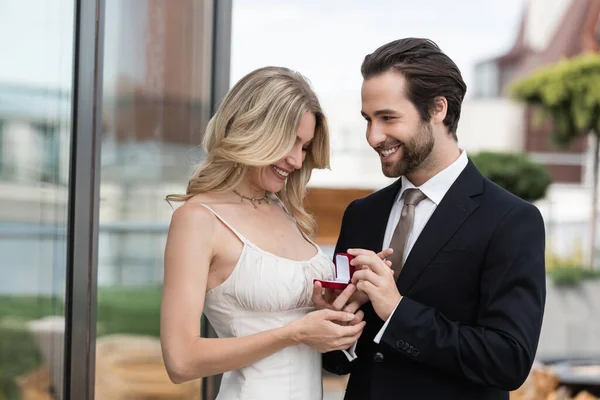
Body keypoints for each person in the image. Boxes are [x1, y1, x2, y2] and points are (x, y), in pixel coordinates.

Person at [314, 38, 547, 400]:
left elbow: (508, 360)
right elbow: (339, 361)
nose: (373, 137)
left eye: (388, 118)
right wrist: (336, 321)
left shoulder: (511, 220)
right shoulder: (362, 214)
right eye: (368, 120)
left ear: (438, 108)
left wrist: (398, 311)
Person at [160, 66, 370, 400]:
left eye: (305, 146)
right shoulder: (198, 219)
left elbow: (298, 325)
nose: (297, 160)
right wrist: (295, 334)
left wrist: (333, 309)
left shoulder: (287, 211)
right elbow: (180, 361)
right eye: (290, 142)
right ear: (252, 129)